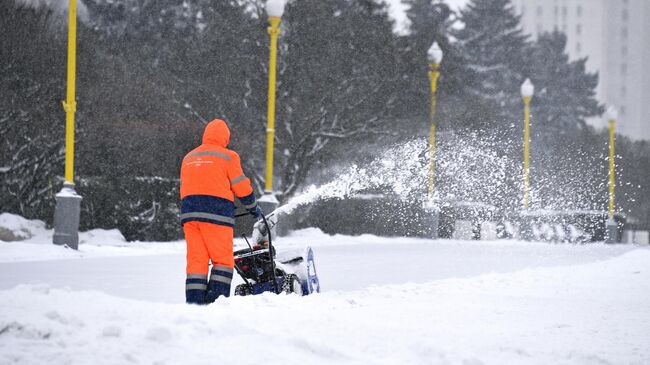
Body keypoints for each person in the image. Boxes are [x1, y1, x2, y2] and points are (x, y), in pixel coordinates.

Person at [180, 119, 262, 304]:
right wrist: (252, 208)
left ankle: (194, 305)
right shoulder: (228, 156)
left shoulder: (189, 157)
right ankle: (215, 305)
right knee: (223, 262)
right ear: (225, 137)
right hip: (216, 215)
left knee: (196, 263)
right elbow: (241, 185)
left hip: (190, 216)